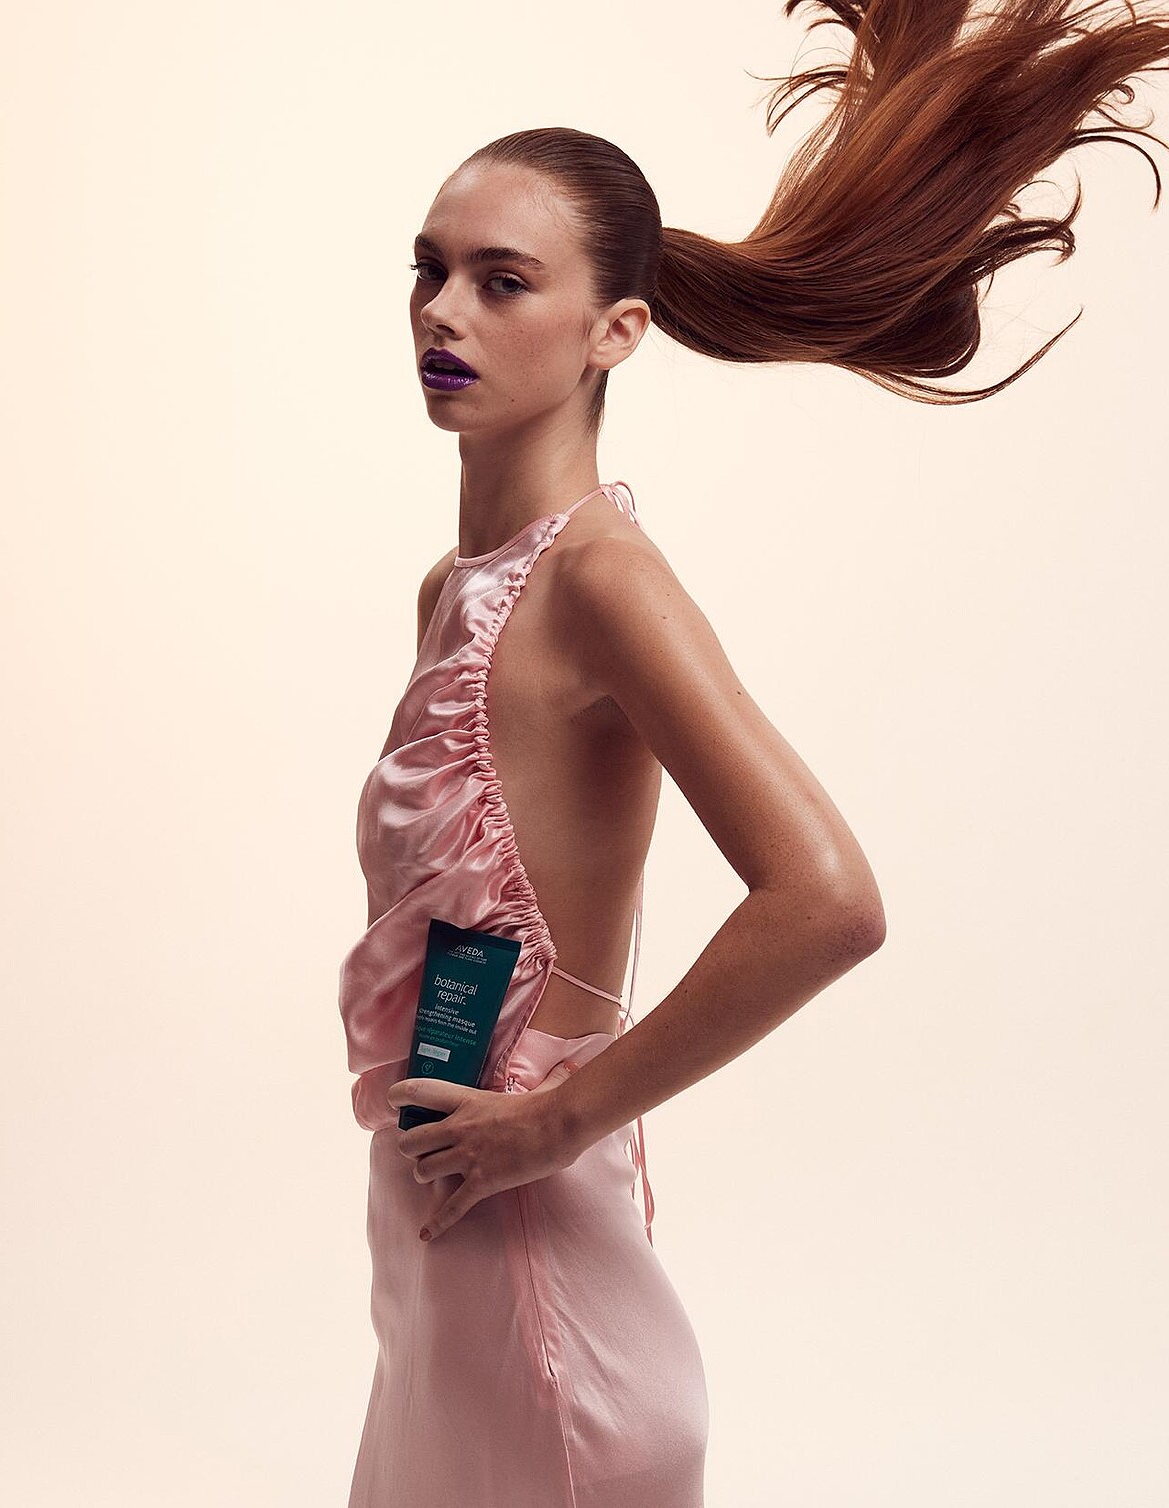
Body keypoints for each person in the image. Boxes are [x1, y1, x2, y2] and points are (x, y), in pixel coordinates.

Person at [338, 5, 1169, 1504]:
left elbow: (828, 898)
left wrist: (557, 1120)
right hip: (439, 1249)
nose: (442, 313)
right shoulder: (454, 590)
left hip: (538, 1276)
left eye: (502, 280)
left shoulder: (601, 582)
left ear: (616, 332)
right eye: (429, 269)